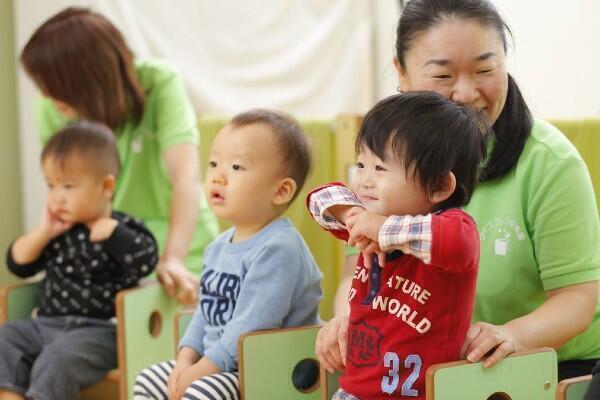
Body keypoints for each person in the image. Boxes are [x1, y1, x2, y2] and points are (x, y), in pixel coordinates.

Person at [317, 0, 600, 383]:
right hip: (421, 374)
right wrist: (348, 316)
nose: (466, 93)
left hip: (540, 370)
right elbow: (358, 272)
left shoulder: (549, 161)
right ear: (400, 72)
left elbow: (578, 300)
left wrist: (511, 334)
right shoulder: (384, 161)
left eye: (485, 69)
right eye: (442, 75)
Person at [20, 7, 220, 305]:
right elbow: (60, 187)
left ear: (85, 79)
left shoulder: (158, 82)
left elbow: (185, 176)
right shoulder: (50, 108)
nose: (47, 95)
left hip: (181, 242)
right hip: (107, 248)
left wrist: (174, 258)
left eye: (53, 84)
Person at [308, 92, 489, 400]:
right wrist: (353, 215)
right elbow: (318, 199)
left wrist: (383, 229)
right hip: (353, 392)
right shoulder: (366, 223)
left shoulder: (453, 230)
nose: (365, 180)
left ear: (439, 186)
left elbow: (457, 242)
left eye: (380, 169)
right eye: (361, 165)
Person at [132, 109, 323, 400]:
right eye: (213, 163)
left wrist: (200, 370)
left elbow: (253, 326)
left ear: (281, 191)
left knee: (201, 392)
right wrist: (185, 358)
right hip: (221, 365)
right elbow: (204, 313)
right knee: (150, 380)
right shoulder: (218, 247)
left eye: (236, 167)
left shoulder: (278, 248)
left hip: (271, 368)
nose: (218, 177)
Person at [0, 121, 158, 400]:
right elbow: (17, 264)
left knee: (58, 359)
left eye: (68, 186)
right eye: (51, 185)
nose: (57, 196)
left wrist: (115, 235)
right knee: (5, 337)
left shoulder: (120, 227)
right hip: (45, 325)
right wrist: (44, 232)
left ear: (106, 186)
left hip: (99, 333)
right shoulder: (58, 231)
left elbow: (146, 261)